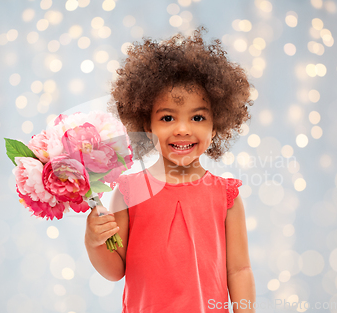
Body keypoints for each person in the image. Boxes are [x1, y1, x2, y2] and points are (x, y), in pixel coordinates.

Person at [84, 26, 256, 313]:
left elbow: (239, 270)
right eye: (167, 117)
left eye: (198, 117)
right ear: (147, 125)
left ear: (215, 127)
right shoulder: (129, 192)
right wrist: (94, 241)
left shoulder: (226, 196)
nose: (182, 129)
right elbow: (115, 270)